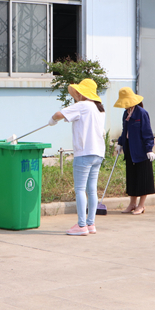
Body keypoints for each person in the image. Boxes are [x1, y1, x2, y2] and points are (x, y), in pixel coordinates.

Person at [48, 79, 106, 236]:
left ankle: (81, 225)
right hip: (98, 153)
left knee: (80, 189)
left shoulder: (83, 105)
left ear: (83, 93)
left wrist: (52, 120)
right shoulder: (100, 109)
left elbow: (59, 114)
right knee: (92, 190)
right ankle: (91, 224)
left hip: (84, 153)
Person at [114, 87, 155, 215]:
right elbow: (124, 131)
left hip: (141, 151)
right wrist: (120, 143)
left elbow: (147, 132)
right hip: (130, 150)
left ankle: (141, 205)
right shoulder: (126, 114)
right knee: (132, 178)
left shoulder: (142, 113)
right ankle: (132, 204)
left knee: (142, 179)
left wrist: (149, 149)